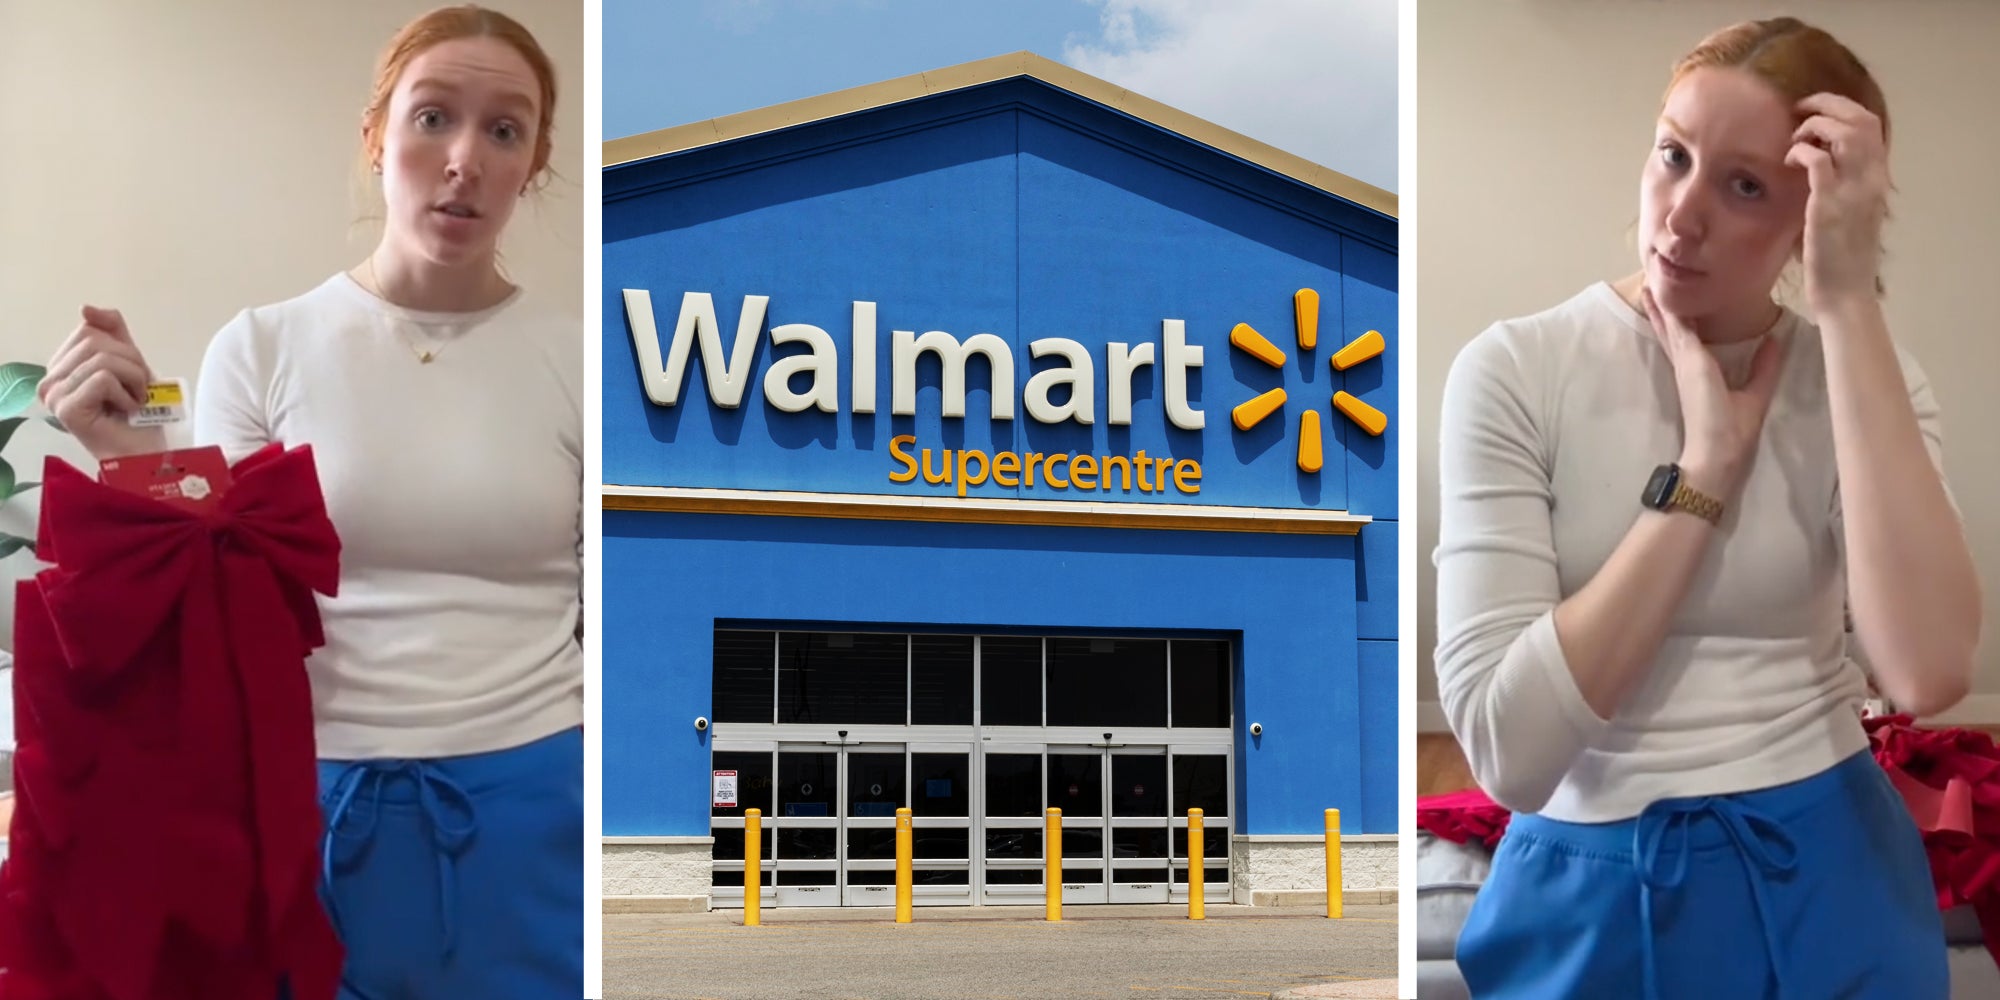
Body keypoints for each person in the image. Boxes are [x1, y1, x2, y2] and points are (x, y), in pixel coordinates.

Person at [34, 5, 581, 997]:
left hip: (533, 802)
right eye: (432, 118)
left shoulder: (578, 359)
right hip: (311, 807)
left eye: (504, 130)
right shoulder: (263, 343)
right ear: (376, 135)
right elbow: (217, 580)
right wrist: (124, 448)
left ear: (532, 165)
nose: (464, 157)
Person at [1434, 16, 1981, 999]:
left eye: (1742, 187)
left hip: (1833, 858)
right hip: (1588, 873)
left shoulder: (1862, 376)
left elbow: (1927, 667)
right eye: (1671, 154)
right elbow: (1507, 750)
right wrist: (1705, 469)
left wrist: (1848, 300)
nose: (1678, 217)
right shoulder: (1516, 369)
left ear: (1808, 215)